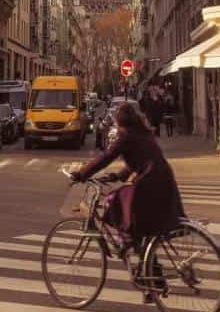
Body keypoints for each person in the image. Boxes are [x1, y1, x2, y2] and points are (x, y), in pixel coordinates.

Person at [72, 101, 185, 254]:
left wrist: (82, 174)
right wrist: (117, 176)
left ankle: (126, 239)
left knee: (114, 200)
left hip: (150, 181)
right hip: (161, 178)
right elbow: (138, 160)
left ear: (120, 122)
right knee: (142, 224)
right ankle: (150, 268)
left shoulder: (126, 136)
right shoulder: (141, 133)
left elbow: (106, 157)